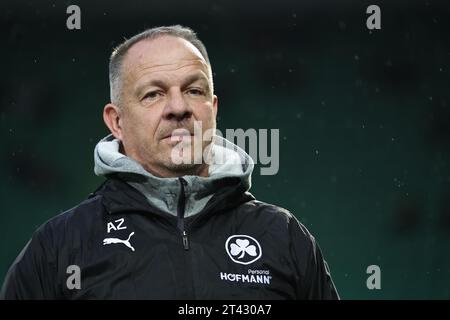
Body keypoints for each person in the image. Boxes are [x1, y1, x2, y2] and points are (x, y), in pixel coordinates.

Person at [0, 25, 339, 299]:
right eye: (154, 94)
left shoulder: (284, 237)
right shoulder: (59, 246)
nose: (179, 107)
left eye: (194, 90)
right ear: (116, 122)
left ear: (214, 108)